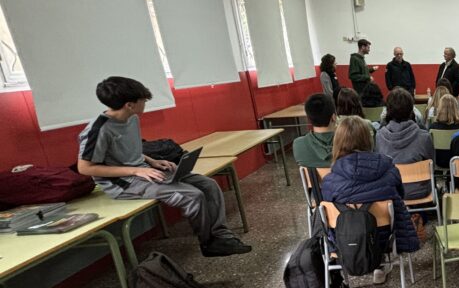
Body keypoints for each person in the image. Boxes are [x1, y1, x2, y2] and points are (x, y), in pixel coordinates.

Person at [77, 77, 250, 257]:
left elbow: (128, 150)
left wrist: (152, 161)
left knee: (209, 185)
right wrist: (136, 170)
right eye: (143, 100)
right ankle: (208, 243)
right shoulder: (98, 130)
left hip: (145, 171)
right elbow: (85, 168)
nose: (145, 104)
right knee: (192, 195)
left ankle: (221, 236)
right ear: (129, 105)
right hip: (122, 182)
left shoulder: (132, 118)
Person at [320, 117, 419, 284]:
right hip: (383, 241)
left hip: (346, 242)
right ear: (368, 139)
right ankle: (380, 266)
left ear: (337, 142)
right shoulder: (389, 170)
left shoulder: (329, 181)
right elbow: (401, 196)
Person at [375, 89, 434, 199]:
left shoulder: (379, 137)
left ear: (388, 110)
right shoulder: (424, 137)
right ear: (411, 110)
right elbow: (432, 167)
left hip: (390, 192)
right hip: (419, 191)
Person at [293, 93, 336, 169]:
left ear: (309, 118)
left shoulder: (298, 145)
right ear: (334, 117)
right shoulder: (350, 143)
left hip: (314, 177)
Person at [429, 93, 459, 172]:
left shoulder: (433, 127)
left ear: (440, 108)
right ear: (456, 108)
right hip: (457, 162)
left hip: (438, 161)